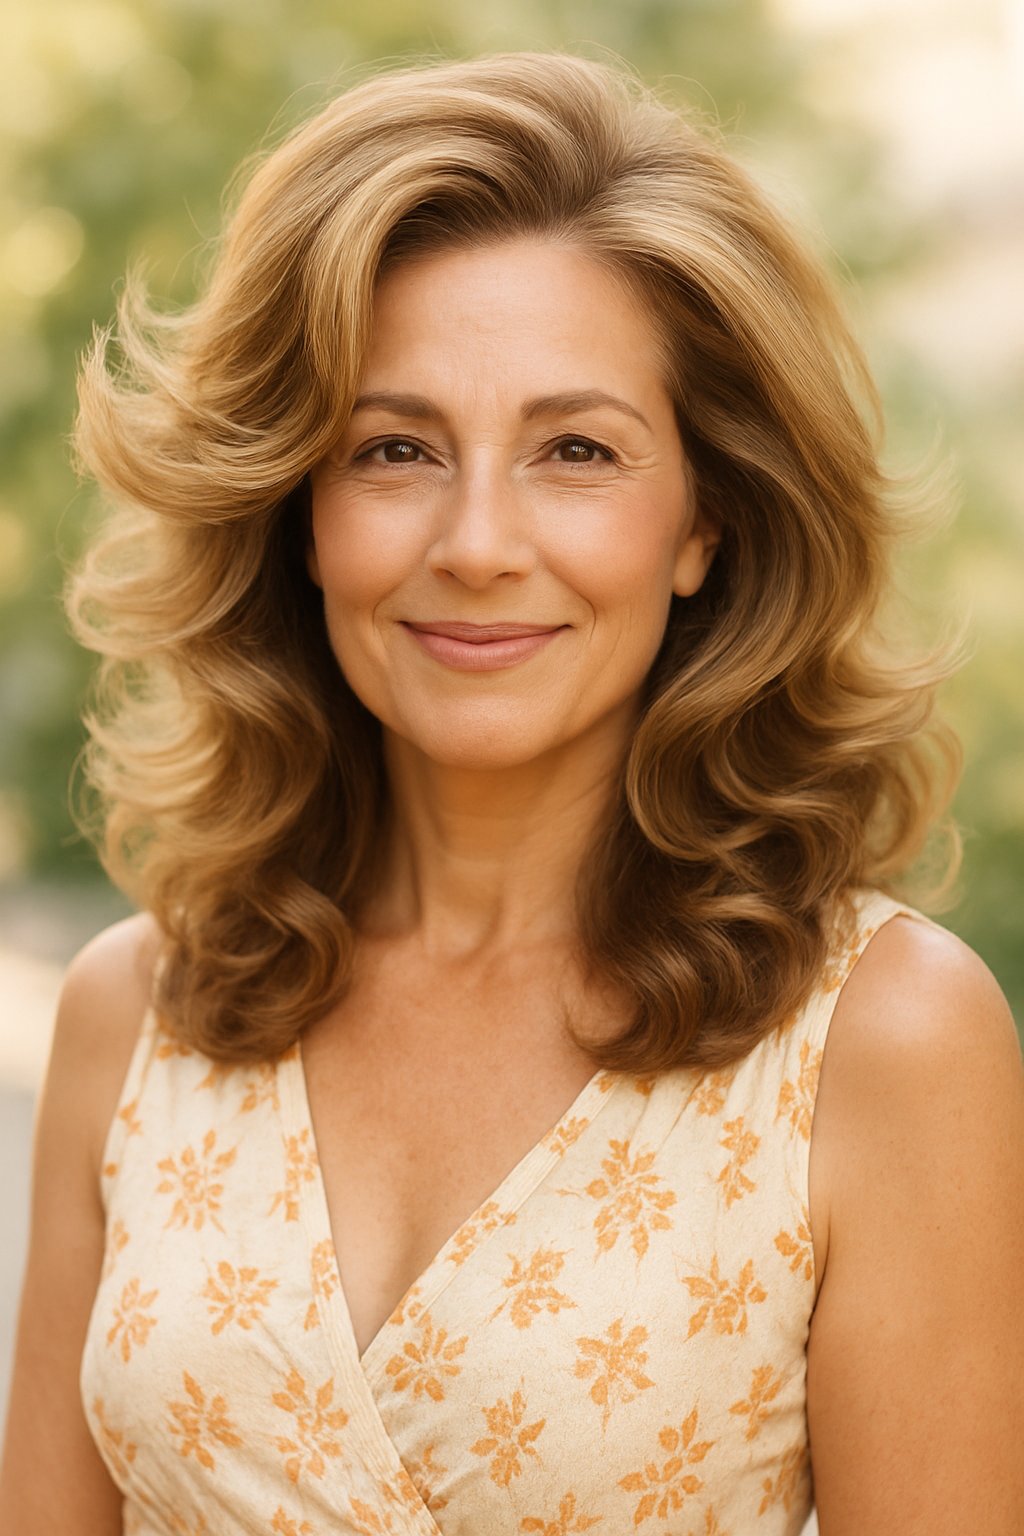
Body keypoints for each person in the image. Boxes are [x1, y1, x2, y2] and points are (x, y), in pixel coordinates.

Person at [1, 49, 1021, 1536]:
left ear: (705, 521)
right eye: (394, 449)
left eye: (577, 451)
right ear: (298, 511)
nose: (478, 542)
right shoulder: (139, 1011)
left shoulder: (883, 1039)